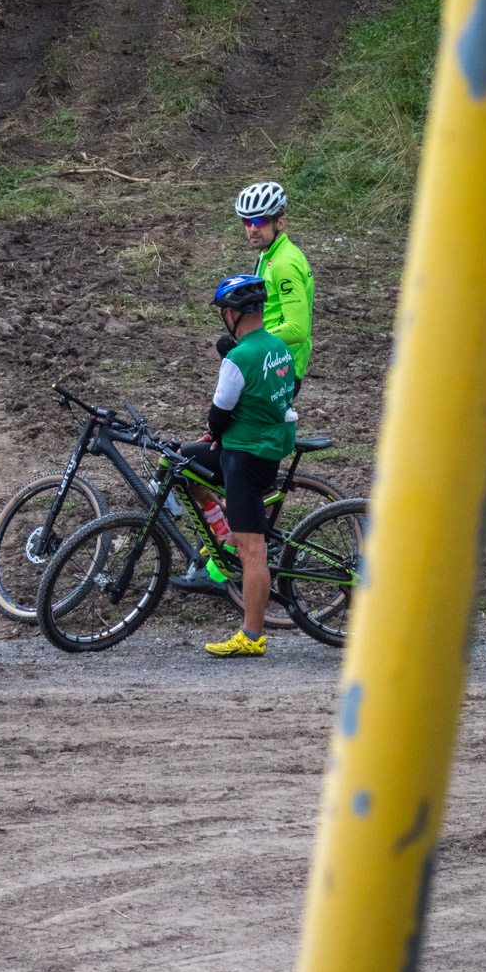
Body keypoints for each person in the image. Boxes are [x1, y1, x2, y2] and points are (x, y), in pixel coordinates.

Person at [177, 275, 297, 658]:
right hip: (266, 450)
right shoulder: (279, 347)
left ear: (231, 315)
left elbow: (218, 414)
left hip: (244, 458)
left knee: (252, 551)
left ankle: (252, 635)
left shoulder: (237, 358)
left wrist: (216, 432)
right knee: (183, 460)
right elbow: (287, 389)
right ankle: (219, 526)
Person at [234, 181, 314, 395]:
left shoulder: (285, 264)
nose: (252, 229)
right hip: (268, 359)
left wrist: (249, 344)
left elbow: (297, 329)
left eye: (260, 221)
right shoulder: (271, 253)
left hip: (280, 367)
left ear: (280, 222)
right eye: (247, 221)